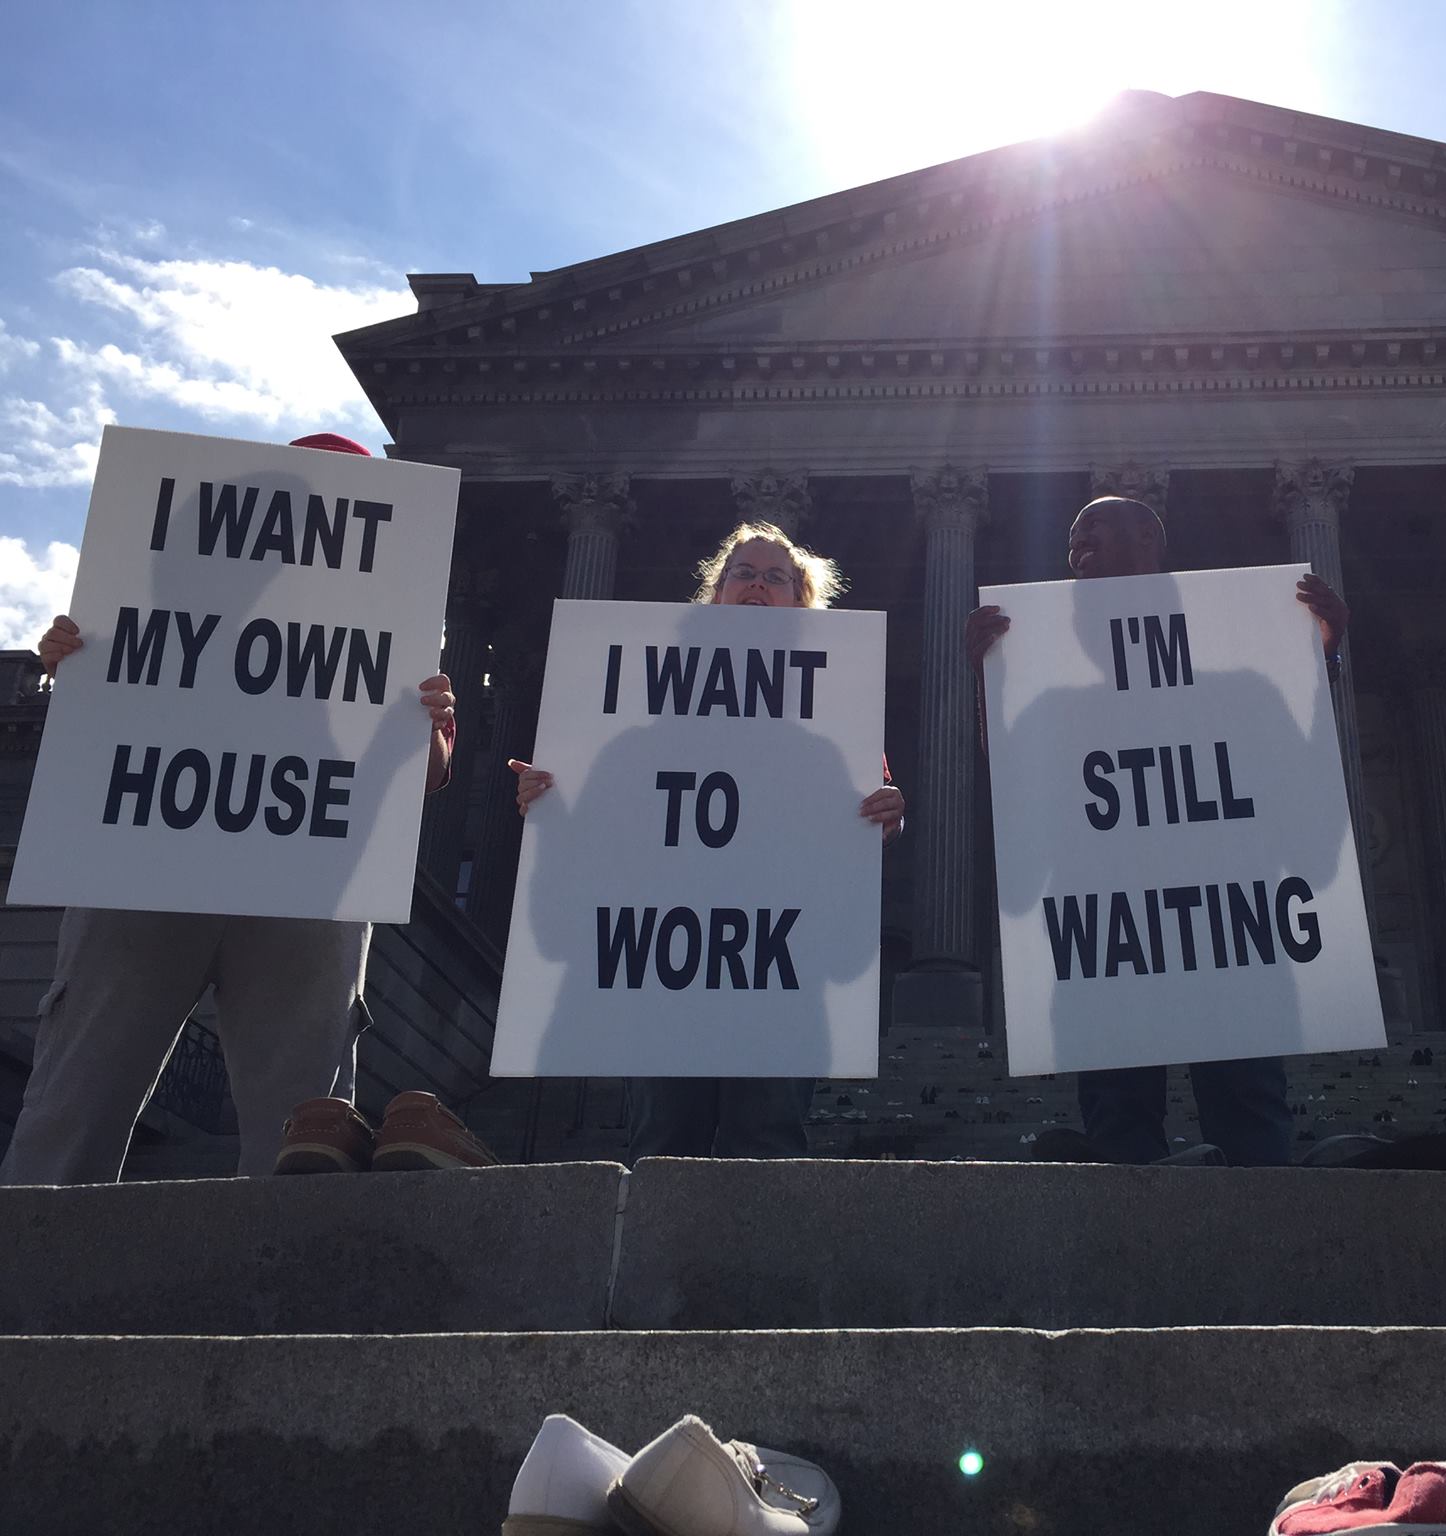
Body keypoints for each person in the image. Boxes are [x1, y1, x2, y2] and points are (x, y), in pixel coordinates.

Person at [1, 432, 476, 1186]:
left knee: (307, 1135)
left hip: (307, 887)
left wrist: (428, 726)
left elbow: (425, 777)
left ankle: (291, 1293)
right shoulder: (162, 596)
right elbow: (107, 717)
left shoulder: (397, 620)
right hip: (144, 871)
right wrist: (76, 665)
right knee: (75, 1103)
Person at [964, 495, 1350, 1167]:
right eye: (1073, 542)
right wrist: (992, 686)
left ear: (1150, 542)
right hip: (1106, 940)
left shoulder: (1246, 692)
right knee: (1119, 1123)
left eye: (1096, 534)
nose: (1077, 551)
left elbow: (1310, 835)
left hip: (1231, 936)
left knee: (1252, 1118)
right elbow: (1022, 826)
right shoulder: (1053, 706)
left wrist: (1319, 667)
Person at [512, 521, 904, 1161]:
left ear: (801, 604)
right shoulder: (639, 725)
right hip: (667, 963)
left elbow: (856, 825)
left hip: (782, 967)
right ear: (716, 594)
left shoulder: (830, 729)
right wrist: (550, 802)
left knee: (768, 1140)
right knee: (664, 1142)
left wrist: (887, 819)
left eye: (777, 578)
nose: (757, 585)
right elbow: (596, 836)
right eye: (743, 573)